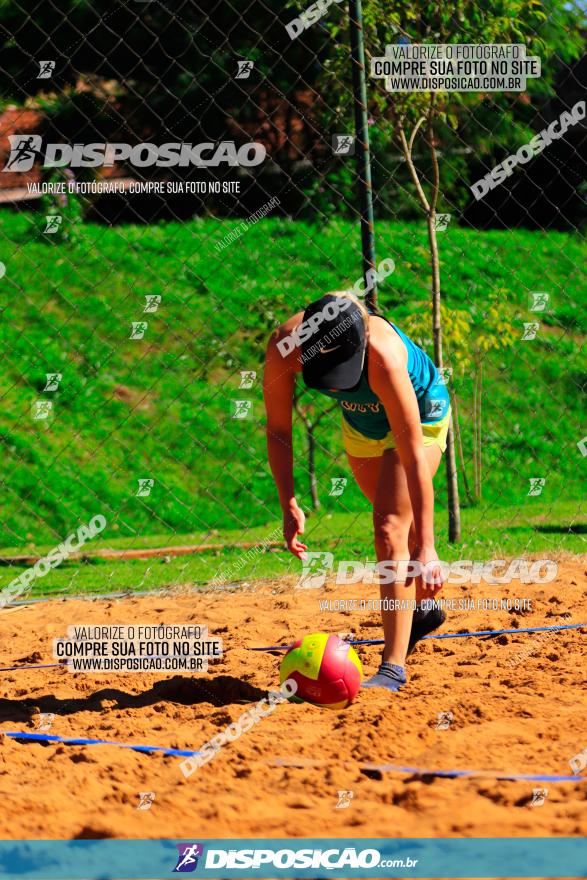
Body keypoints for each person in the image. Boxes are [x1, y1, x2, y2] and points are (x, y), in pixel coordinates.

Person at [263, 291, 449, 692]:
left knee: (390, 528)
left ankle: (392, 669)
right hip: (362, 425)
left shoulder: (384, 356)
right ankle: (424, 611)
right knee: (399, 530)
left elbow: (414, 455)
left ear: (361, 342)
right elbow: (278, 431)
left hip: (421, 412)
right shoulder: (284, 348)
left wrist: (429, 548)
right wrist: (288, 502)